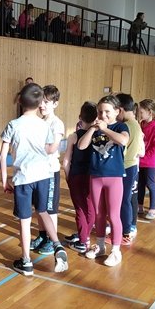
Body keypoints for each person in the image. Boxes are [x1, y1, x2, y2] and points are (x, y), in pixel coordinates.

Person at [0, 84, 68, 276]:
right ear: (39, 104)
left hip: (24, 178)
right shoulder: (44, 125)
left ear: (20, 101)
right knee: (43, 211)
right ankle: (57, 245)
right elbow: (49, 148)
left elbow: (2, 156)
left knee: (25, 220)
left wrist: (4, 181)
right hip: (43, 175)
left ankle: (26, 262)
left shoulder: (13, 125)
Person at [78, 95, 130, 267]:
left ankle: (116, 251)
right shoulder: (95, 128)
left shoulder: (120, 126)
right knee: (99, 214)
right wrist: (92, 129)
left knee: (113, 214)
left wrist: (106, 129)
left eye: (107, 111)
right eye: (100, 112)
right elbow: (81, 146)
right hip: (96, 177)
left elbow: (123, 140)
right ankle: (100, 246)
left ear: (117, 111)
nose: (103, 115)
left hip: (114, 178)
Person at [30, 85, 65, 256]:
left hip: (50, 171)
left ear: (55, 104)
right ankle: (43, 235)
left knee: (50, 209)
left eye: (46, 102)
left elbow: (52, 148)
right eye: (41, 101)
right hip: (38, 171)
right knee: (39, 207)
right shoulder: (38, 122)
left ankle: (52, 239)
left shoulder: (56, 124)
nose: (42, 105)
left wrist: (32, 146)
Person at [62, 102, 97, 254]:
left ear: (79, 117)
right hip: (92, 176)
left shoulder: (74, 136)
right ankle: (84, 235)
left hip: (76, 176)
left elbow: (66, 161)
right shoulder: (98, 135)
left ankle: (83, 241)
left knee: (80, 209)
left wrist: (68, 176)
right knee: (90, 207)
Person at [116, 93, 143, 245]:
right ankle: (125, 228)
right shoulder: (134, 124)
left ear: (120, 110)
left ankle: (126, 232)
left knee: (123, 200)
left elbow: (124, 149)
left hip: (126, 166)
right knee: (125, 199)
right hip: (131, 166)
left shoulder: (127, 126)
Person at [137, 99, 155, 220]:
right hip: (140, 161)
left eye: (141, 112)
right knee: (140, 184)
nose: (139, 114)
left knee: (150, 184)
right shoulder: (141, 124)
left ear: (149, 112)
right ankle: (139, 206)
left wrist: (145, 156)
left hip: (150, 162)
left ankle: (153, 209)